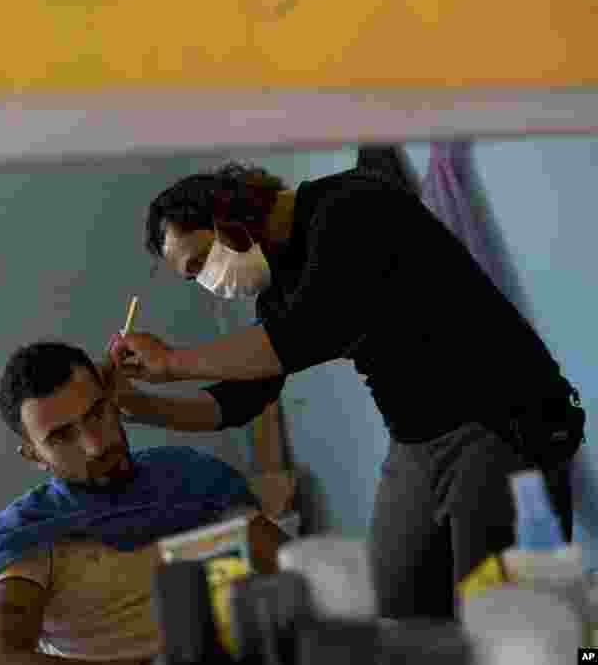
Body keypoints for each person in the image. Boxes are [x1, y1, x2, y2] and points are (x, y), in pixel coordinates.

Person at [108, 161, 585, 620]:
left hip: (496, 418)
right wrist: (137, 407)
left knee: (499, 614)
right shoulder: (279, 288)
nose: (210, 283)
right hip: (417, 442)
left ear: (228, 216)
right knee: (396, 602)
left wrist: (170, 362)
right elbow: (238, 400)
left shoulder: (350, 206)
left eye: (200, 263)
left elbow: (302, 334)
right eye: (195, 278)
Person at [0, 341, 261, 664]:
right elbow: (0, 659)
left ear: (113, 402)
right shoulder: (28, 531)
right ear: (33, 455)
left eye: (96, 413)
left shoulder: (190, 475)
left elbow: (296, 570)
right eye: (61, 436)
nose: (95, 446)